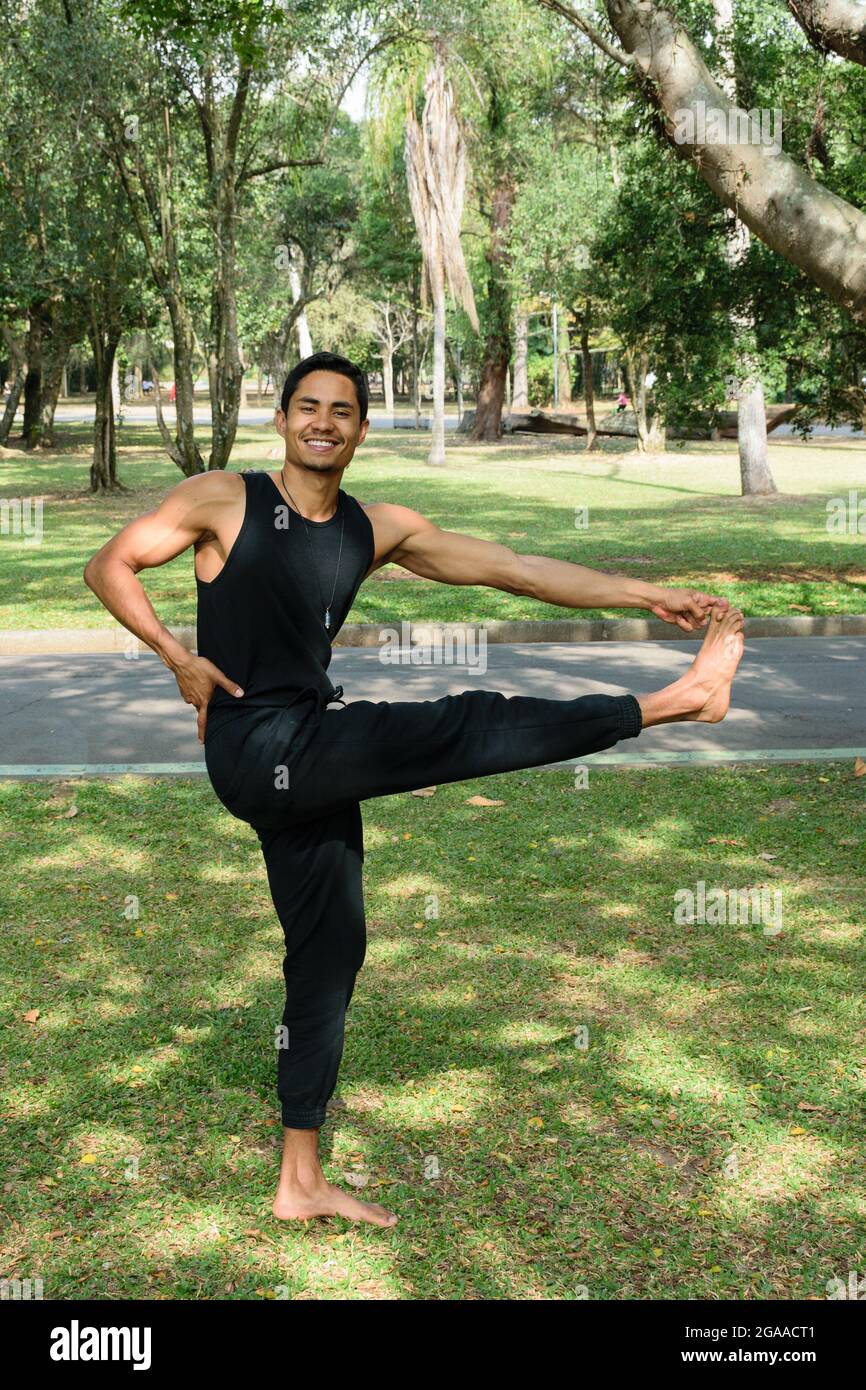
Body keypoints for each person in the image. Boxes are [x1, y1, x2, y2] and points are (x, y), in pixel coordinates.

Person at [83, 351, 745, 1229]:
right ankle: (673, 703)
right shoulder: (223, 499)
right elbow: (109, 566)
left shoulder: (376, 528)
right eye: (307, 407)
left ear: (360, 429)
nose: (323, 421)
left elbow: (513, 568)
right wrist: (179, 658)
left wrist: (646, 593)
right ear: (281, 422)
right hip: (258, 742)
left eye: (342, 411)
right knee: (463, 723)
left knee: (328, 955)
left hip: (313, 757)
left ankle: (300, 1179)